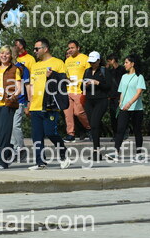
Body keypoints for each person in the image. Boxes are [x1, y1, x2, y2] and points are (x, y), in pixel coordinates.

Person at [27, 38, 71, 170]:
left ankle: (63, 153)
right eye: (34, 49)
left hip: (50, 105)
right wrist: (29, 103)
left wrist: (54, 75)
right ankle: (40, 162)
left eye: (37, 49)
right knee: (37, 136)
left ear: (45, 49)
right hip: (35, 106)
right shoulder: (35, 66)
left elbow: (66, 81)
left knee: (50, 132)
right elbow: (31, 86)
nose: (34, 51)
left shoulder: (58, 63)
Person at [106, 55, 146, 161]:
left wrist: (130, 103)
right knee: (120, 129)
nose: (124, 64)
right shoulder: (124, 76)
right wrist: (121, 102)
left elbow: (138, 93)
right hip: (124, 108)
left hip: (136, 108)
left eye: (126, 62)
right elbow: (122, 91)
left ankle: (139, 154)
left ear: (132, 64)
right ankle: (116, 152)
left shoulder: (139, 77)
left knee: (137, 131)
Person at [83, 51, 112, 160]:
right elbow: (82, 87)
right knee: (93, 125)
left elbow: (109, 86)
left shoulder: (104, 71)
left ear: (99, 61)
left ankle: (96, 150)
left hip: (101, 100)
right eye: (90, 62)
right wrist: (85, 85)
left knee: (95, 123)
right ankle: (96, 150)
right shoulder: (87, 71)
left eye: (94, 62)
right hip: (89, 101)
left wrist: (97, 83)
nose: (92, 64)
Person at [63, 40, 91, 142]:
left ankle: (89, 128)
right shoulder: (67, 61)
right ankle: (70, 134)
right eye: (69, 48)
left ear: (78, 48)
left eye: (72, 48)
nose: (70, 50)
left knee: (79, 113)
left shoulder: (85, 58)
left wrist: (86, 88)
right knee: (68, 114)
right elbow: (66, 74)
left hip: (79, 90)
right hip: (68, 90)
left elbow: (89, 74)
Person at [11, 38, 35, 154]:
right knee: (10, 127)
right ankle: (14, 149)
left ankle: (21, 148)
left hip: (20, 100)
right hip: (7, 101)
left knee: (15, 126)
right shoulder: (5, 68)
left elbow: (28, 84)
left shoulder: (24, 65)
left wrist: (28, 102)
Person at [106, 54, 126, 139]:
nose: (108, 63)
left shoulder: (122, 70)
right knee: (113, 116)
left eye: (109, 61)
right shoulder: (110, 71)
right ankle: (115, 134)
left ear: (113, 60)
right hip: (112, 97)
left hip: (120, 96)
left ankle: (123, 133)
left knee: (121, 116)